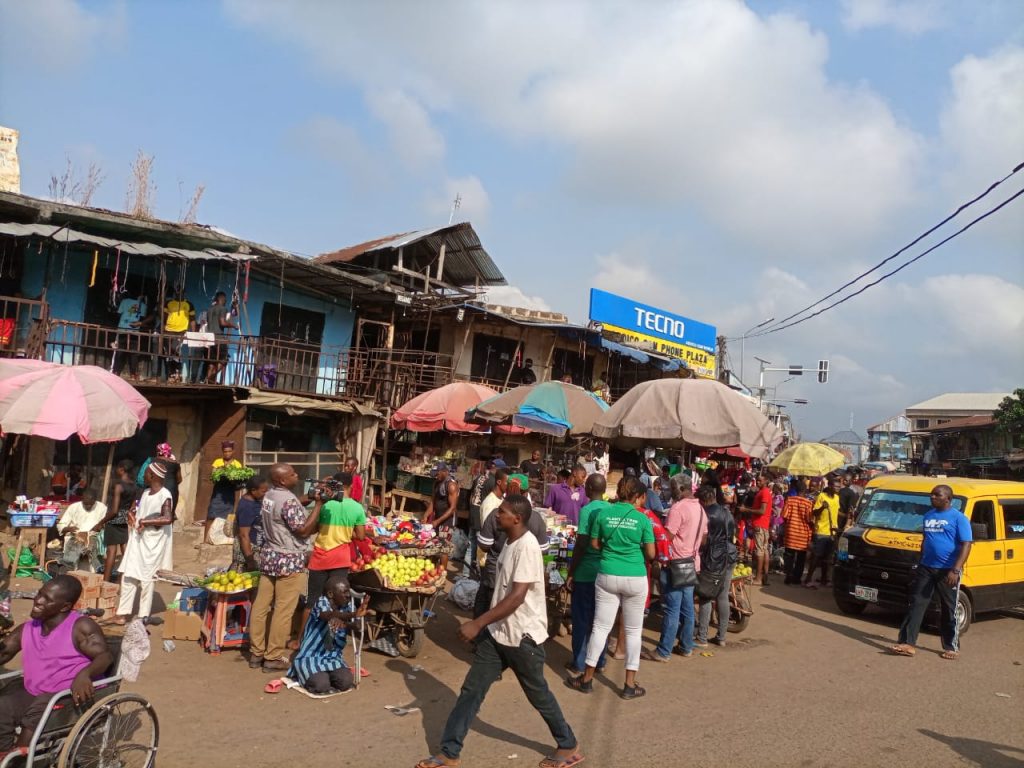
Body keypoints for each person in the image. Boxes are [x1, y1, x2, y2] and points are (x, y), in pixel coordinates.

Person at [416, 495, 583, 768]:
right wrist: (487, 625)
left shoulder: (527, 547)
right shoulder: (508, 542)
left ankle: (567, 743)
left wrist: (478, 622)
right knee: (472, 689)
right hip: (499, 632)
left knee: (537, 693)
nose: (496, 515)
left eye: (502, 512)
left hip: (522, 635)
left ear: (516, 518)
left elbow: (517, 597)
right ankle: (449, 752)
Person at [0, 576, 113, 758]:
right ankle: (4, 754)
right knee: (3, 704)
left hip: (68, 694)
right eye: (39, 594)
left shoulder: (80, 626)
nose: (38, 600)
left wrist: (85, 674)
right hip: (37, 690)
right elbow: (4, 653)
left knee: (37, 713)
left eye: (47, 599)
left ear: (64, 607)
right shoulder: (28, 628)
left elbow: (104, 656)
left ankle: (20, 756)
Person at [565, 475, 655, 699]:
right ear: (637, 496)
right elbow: (651, 554)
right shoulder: (642, 519)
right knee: (634, 631)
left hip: (607, 574)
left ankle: (586, 680)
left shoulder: (603, 514)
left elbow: (594, 544)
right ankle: (629, 685)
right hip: (635, 576)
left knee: (600, 628)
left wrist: (610, 547)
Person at [249, 463, 318, 673]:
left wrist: (310, 497)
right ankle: (273, 656)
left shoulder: (269, 495)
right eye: (292, 474)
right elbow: (303, 530)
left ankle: (256, 652)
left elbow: (286, 509)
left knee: (261, 606)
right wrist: (319, 505)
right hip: (288, 559)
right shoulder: (287, 501)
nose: (296, 476)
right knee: (283, 610)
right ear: (282, 480)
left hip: (269, 557)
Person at [891, 485, 973, 660]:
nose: (933, 497)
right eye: (932, 494)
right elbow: (926, 540)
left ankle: (951, 647)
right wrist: (920, 561)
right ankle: (908, 643)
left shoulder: (959, 518)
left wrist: (955, 569)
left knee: (948, 608)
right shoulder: (928, 515)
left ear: (948, 499)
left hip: (948, 571)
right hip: (926, 568)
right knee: (916, 604)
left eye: (937, 495)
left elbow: (967, 544)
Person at [644, 476, 706, 662]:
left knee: (671, 608)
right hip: (692, 563)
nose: (669, 491)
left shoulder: (678, 508)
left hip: (675, 564)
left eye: (671, 488)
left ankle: (663, 651)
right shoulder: (700, 508)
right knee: (687, 608)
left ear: (679, 488)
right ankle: (686, 646)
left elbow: (667, 537)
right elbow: (703, 538)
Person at [304, 472, 366, 630]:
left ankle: (301, 639)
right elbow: (360, 536)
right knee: (337, 601)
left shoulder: (325, 504)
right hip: (340, 558)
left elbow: (312, 529)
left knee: (312, 601)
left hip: (320, 557)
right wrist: (346, 531)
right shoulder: (357, 508)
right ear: (351, 486)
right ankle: (332, 637)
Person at [115, 461, 175, 622]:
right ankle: (122, 614)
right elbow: (139, 509)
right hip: (138, 541)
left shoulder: (165, 495)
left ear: (152, 476)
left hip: (153, 545)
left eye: (146, 473)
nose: (143, 476)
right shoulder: (146, 492)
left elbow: (167, 518)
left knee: (147, 580)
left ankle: (142, 617)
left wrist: (144, 522)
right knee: (129, 577)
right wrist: (132, 514)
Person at [288, 573, 368, 694]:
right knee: (321, 686)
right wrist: (352, 615)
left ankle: (325, 674)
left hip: (332, 657)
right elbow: (327, 615)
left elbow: (357, 626)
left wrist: (355, 621)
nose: (348, 595)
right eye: (344, 592)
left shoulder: (347, 605)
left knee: (346, 682)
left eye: (348, 591)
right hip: (311, 657)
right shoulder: (321, 602)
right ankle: (313, 676)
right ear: (331, 594)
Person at [565, 474, 611, 676]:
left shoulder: (586, 511)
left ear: (589, 488)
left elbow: (582, 544)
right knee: (600, 620)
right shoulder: (612, 510)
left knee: (582, 618)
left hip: (585, 572)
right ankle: (599, 661)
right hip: (606, 571)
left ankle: (580, 662)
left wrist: (571, 572)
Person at [695, 485, 737, 647]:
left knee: (706, 595)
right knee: (722, 595)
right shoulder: (727, 512)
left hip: (714, 558)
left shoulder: (706, 514)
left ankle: (702, 637)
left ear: (703, 500)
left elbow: (704, 540)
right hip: (730, 555)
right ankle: (721, 637)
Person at [93, 460, 136, 583]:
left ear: (122, 469)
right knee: (125, 552)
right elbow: (132, 506)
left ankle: (105, 582)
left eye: (117, 468)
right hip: (124, 519)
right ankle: (121, 581)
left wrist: (101, 522)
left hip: (113, 520)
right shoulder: (133, 486)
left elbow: (114, 510)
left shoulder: (119, 486)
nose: (116, 470)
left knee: (111, 551)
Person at [57, 488, 106, 570]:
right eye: (86, 504)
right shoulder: (73, 507)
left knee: (95, 550)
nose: (88, 506)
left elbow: (104, 524)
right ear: (82, 499)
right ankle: (70, 567)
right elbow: (61, 525)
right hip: (76, 535)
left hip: (93, 535)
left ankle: (97, 569)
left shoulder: (102, 508)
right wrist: (69, 528)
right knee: (74, 547)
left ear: (95, 501)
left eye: (91, 504)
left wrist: (99, 527)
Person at [804, 475, 841, 588]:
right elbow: (814, 513)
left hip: (832, 532)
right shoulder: (821, 496)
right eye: (836, 486)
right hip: (821, 531)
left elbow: (836, 512)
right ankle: (808, 579)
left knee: (828, 558)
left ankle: (825, 579)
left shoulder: (836, 498)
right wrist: (822, 508)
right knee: (816, 556)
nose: (838, 488)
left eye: (839, 487)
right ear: (829, 486)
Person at [205, 440, 241, 545]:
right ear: (222, 451)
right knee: (211, 515)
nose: (227, 453)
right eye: (225, 451)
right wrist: (220, 472)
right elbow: (213, 477)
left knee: (226, 516)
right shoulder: (217, 462)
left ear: (233, 451)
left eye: (229, 451)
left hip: (229, 494)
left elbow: (238, 482)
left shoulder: (237, 464)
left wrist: (232, 479)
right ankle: (205, 540)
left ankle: (220, 539)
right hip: (218, 493)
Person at [741, 474, 773, 586]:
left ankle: (759, 578)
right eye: (757, 480)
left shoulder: (764, 492)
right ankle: (764, 577)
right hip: (762, 525)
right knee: (764, 550)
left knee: (760, 551)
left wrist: (746, 510)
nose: (758, 482)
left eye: (760, 480)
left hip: (760, 524)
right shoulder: (763, 492)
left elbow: (762, 511)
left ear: (766, 481)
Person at [232, 475, 269, 572]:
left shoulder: (257, 501)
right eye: (263, 491)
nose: (266, 494)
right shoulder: (246, 507)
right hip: (249, 551)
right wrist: (250, 561)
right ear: (253, 490)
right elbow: (244, 535)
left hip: (259, 546)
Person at [781, 486, 814, 585]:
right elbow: (810, 519)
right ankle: (796, 579)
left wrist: (790, 523)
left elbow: (784, 516)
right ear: (805, 492)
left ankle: (788, 576)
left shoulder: (790, 500)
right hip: (803, 535)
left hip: (791, 532)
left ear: (797, 491)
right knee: (800, 558)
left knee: (789, 556)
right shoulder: (808, 503)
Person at [161, 287, 194, 382]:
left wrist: (193, 333)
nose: (179, 294)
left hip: (181, 332)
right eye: (177, 292)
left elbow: (192, 319)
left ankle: (177, 374)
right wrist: (163, 330)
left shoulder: (189, 304)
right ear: (175, 293)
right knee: (168, 354)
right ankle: (171, 375)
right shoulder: (169, 303)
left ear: (184, 293)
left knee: (176, 351)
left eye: (181, 292)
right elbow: (164, 317)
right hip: (168, 331)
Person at [112, 292, 146, 378]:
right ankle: (133, 374)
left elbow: (118, 314)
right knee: (133, 353)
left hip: (122, 329)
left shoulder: (124, 301)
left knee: (119, 351)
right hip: (134, 332)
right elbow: (142, 319)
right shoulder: (143, 305)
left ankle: (116, 372)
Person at [205, 291, 237, 385]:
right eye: (225, 299)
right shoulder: (222, 309)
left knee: (211, 363)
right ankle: (211, 378)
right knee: (224, 360)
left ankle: (208, 381)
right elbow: (222, 322)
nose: (226, 301)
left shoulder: (210, 309)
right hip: (219, 338)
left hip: (209, 338)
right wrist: (233, 326)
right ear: (221, 299)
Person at [425, 462, 460, 535]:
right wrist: (425, 515)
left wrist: (437, 521)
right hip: (438, 518)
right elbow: (433, 502)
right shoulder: (436, 483)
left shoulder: (451, 486)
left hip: (448, 522)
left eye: (437, 474)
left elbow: (452, 508)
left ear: (444, 472)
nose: (436, 477)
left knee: (443, 542)